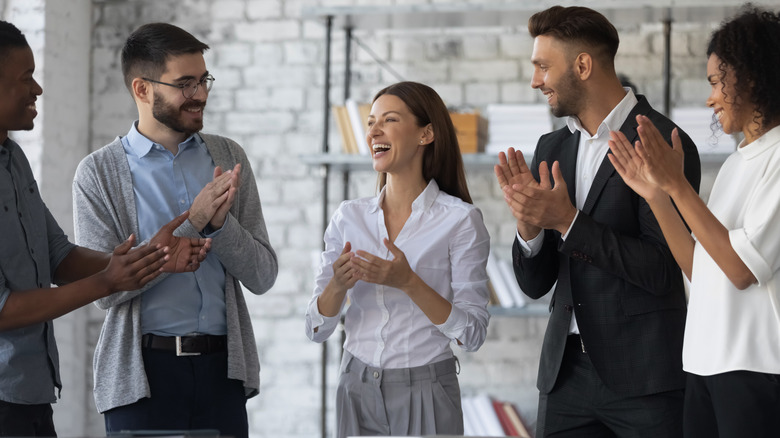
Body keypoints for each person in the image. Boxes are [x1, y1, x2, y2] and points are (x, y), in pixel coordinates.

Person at [495, 6, 702, 438]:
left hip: (645, 381)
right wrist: (530, 228)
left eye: (543, 67)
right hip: (564, 376)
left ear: (583, 65)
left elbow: (665, 269)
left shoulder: (664, 143)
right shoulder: (550, 147)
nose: (536, 81)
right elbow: (535, 284)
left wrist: (568, 221)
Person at [0, 20, 209, 437]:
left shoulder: (14, 159)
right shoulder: (98, 170)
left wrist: (152, 259)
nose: (38, 89)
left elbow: (59, 256)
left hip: (33, 391)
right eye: (26, 78)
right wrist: (109, 281)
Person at [72, 23, 278, 438]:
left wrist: (221, 225)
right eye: (185, 83)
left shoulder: (228, 156)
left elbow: (263, 275)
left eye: (204, 80)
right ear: (143, 89)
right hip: (142, 378)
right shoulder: (97, 173)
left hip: (224, 373)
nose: (200, 93)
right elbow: (102, 291)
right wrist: (196, 220)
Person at [607, 6, 780, 437]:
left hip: (755, 369)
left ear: (753, 77)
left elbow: (741, 270)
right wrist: (658, 196)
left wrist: (679, 186)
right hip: (704, 365)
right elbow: (700, 268)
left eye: (717, 82)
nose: (711, 97)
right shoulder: (739, 162)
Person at [305, 81, 491, 437]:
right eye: (371, 121)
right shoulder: (349, 217)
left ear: (426, 134)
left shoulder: (461, 220)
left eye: (388, 120)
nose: (373, 130)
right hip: (355, 385)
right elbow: (316, 328)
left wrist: (408, 282)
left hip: (427, 390)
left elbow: (472, 335)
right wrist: (338, 285)